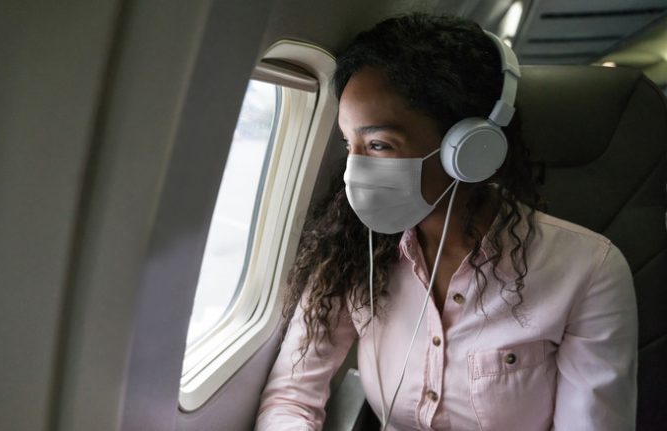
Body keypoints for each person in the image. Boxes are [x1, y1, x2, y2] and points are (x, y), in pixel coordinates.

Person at [255, 12, 637, 431]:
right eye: (350, 143)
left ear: (470, 150)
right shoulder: (351, 248)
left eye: (380, 144)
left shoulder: (588, 271)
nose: (354, 171)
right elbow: (291, 396)